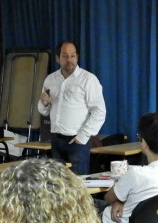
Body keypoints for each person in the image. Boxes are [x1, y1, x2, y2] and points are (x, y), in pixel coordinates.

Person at [37, 41, 106, 175]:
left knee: (78, 184)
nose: (69, 60)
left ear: (77, 57)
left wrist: (83, 136)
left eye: (73, 56)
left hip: (77, 141)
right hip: (56, 140)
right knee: (57, 183)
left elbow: (99, 111)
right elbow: (44, 110)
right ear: (58, 58)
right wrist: (44, 103)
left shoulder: (88, 79)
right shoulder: (50, 79)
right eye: (65, 56)